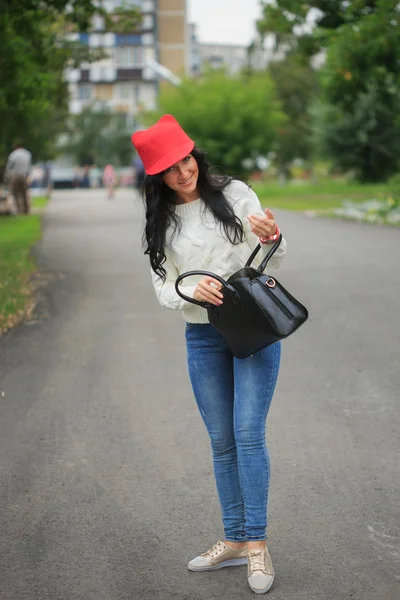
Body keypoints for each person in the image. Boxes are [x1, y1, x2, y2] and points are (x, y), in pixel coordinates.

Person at [132, 115, 287, 595]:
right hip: (201, 337)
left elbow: (271, 259)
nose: (183, 173)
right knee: (221, 441)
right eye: (171, 168)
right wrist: (191, 291)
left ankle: (258, 545)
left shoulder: (236, 195)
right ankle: (235, 539)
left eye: (186, 160)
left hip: (253, 328)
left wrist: (271, 238)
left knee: (247, 433)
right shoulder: (160, 220)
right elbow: (162, 287)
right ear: (156, 176)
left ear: (194, 154)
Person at [5, 143, 32, 214]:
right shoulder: (27, 154)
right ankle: (26, 210)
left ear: (15, 147)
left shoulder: (13, 154)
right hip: (24, 175)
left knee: (15, 193)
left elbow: (9, 167)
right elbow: (29, 166)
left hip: (15, 176)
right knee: (24, 193)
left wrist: (7, 177)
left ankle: (19, 209)